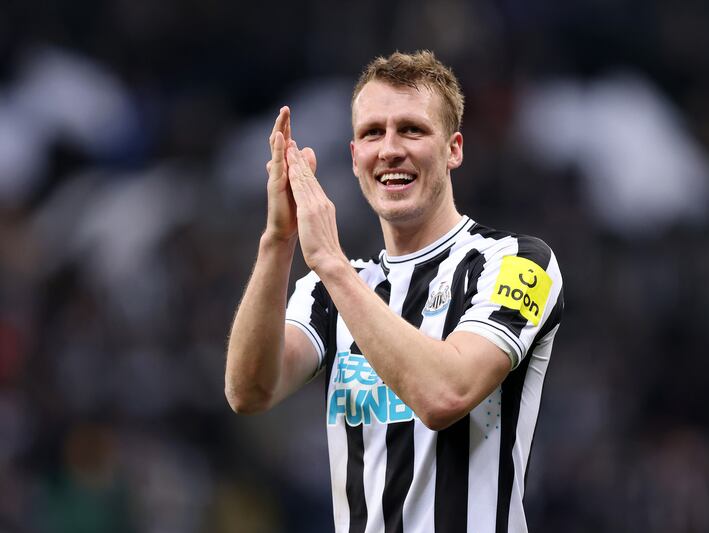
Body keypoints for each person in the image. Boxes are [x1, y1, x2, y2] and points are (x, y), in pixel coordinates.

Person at [225, 50, 564, 533]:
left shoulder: (516, 262)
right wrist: (277, 241)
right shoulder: (330, 290)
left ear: (454, 149)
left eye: (412, 129)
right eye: (372, 133)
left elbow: (445, 395)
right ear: (355, 155)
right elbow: (249, 391)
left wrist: (331, 264)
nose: (389, 149)